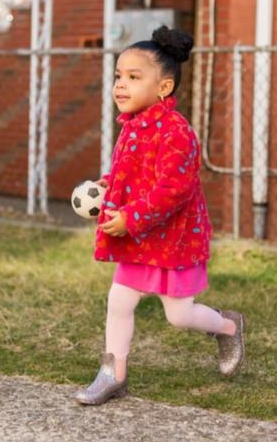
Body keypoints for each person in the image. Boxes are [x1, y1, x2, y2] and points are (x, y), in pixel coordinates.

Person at [74, 25, 246, 406]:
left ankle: (228, 326)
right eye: (119, 76)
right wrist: (105, 187)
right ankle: (113, 373)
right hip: (140, 239)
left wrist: (130, 219)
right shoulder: (133, 127)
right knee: (119, 300)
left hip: (173, 239)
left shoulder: (175, 132)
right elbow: (130, 176)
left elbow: (172, 190)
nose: (121, 85)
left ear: (163, 88)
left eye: (134, 78)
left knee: (179, 315)